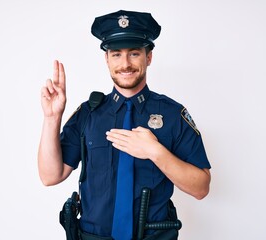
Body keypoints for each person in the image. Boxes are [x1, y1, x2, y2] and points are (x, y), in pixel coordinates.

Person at [38, 10, 211, 240]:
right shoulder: (89, 113)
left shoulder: (172, 114)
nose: (125, 64)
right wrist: (52, 118)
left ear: (148, 57)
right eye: (117, 54)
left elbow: (201, 188)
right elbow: (50, 176)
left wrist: (155, 151)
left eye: (134, 53)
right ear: (106, 59)